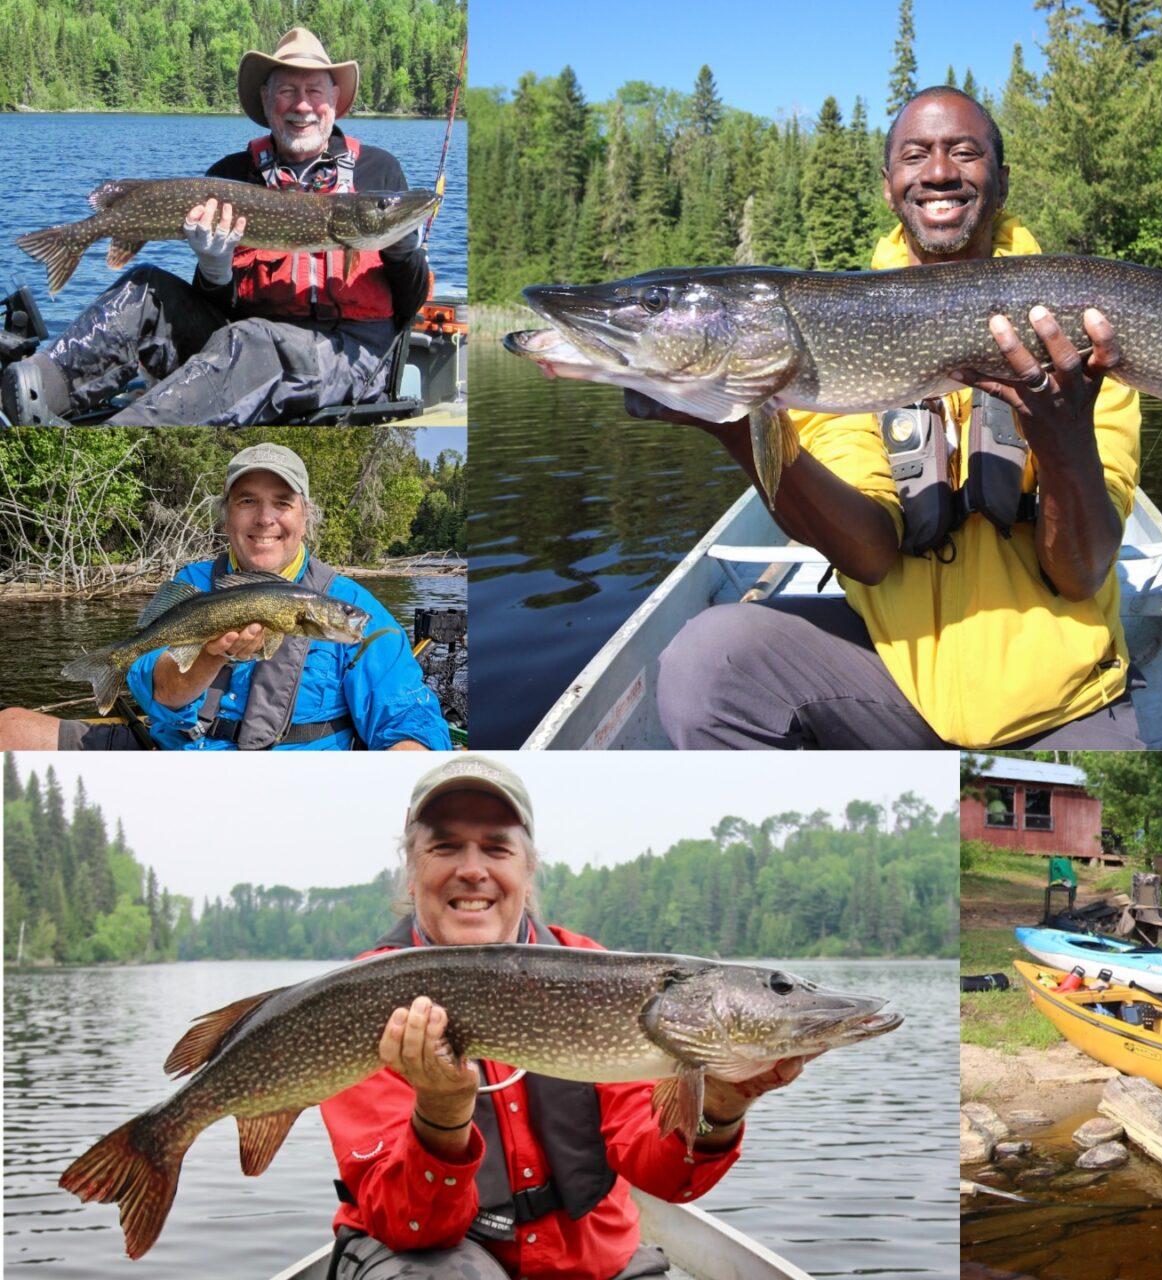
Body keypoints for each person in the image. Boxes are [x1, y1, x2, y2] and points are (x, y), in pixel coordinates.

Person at [646, 86, 1146, 750]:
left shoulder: (1082, 325)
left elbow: (1081, 571)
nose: (939, 171)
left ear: (1001, 179)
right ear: (889, 187)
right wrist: (734, 423)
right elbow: (870, 553)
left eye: (964, 152)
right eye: (916, 155)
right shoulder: (836, 326)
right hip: (892, 683)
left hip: (1068, 704)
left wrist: (1061, 445)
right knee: (706, 662)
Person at [322, 757, 807, 1280]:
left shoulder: (601, 975)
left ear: (527, 873)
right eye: (444, 846)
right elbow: (410, 1226)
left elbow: (665, 1176)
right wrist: (441, 1115)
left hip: (594, 1258)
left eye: (496, 847)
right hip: (435, 1256)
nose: (472, 868)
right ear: (411, 873)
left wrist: (721, 1105)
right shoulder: (363, 997)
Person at [0, 27, 432, 426]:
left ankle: (110, 448)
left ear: (333, 101)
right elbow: (213, 307)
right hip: (240, 345)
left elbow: (409, 304)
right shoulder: (230, 174)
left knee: (254, 341)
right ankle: (35, 390)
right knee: (143, 289)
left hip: (345, 352)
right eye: (287, 90)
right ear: (266, 100)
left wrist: (400, 245)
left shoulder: (378, 173)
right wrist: (214, 265)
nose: (302, 105)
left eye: (314, 91)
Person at [0, 442, 450, 751]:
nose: (265, 519)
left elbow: (411, 724)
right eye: (247, 501)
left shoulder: (356, 607)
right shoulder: (193, 582)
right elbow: (151, 684)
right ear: (226, 515)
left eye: (283, 502)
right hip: (176, 751)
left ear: (306, 516)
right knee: (9, 728)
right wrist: (208, 657)